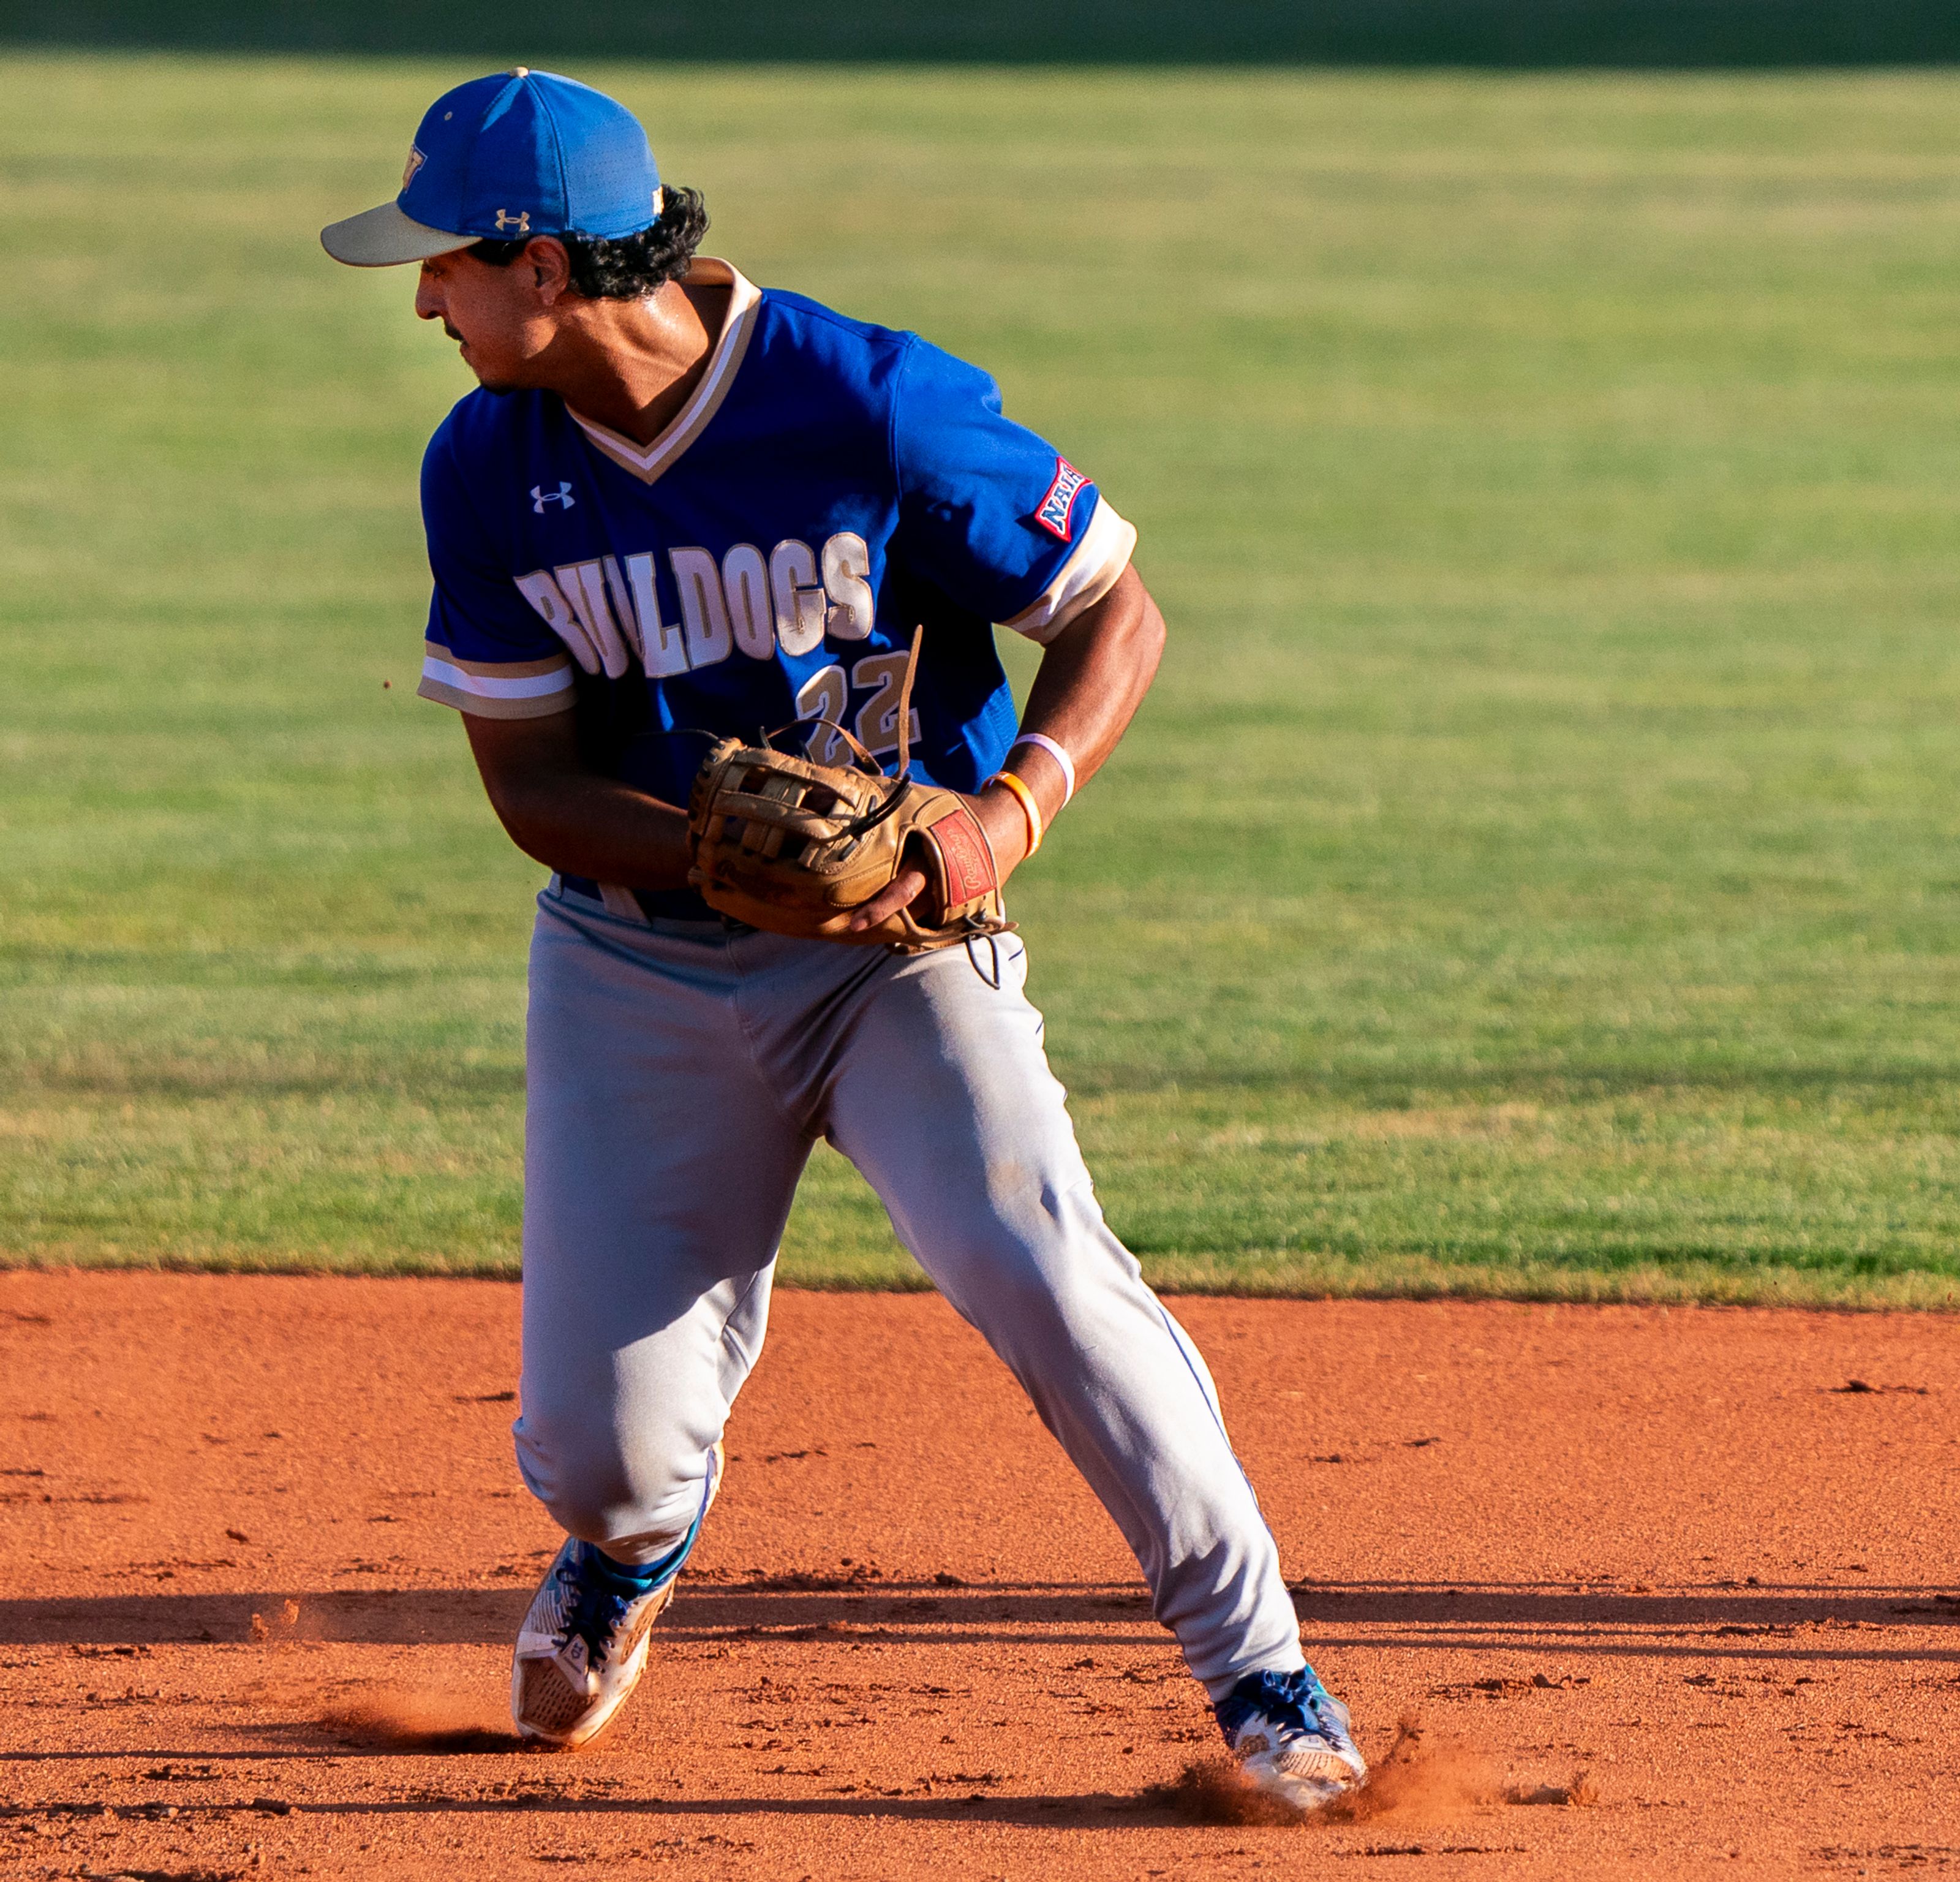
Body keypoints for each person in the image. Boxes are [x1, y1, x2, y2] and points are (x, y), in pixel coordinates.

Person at [320, 68, 1363, 1807]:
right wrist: (728, 864)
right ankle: (629, 1552)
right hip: (631, 964)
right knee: (595, 1450)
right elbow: (534, 784)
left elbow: (1114, 609)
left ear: (547, 262)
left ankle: (1262, 1674)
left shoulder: (871, 404)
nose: (424, 298)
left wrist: (1004, 810)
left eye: (446, 264)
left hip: (901, 961)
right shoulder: (487, 472)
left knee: (1041, 1267)